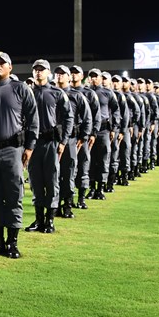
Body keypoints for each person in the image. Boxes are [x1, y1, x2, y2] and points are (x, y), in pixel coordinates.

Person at [0, 52, 38, 259]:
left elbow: (33, 120)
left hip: (13, 150)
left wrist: (29, 147)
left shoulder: (21, 89)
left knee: (13, 195)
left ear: (10, 67)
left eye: (1, 63)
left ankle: (12, 243)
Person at [23, 59, 72, 234]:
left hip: (51, 142)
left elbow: (68, 117)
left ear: (48, 72)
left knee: (51, 181)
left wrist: (64, 141)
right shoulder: (26, 93)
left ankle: (50, 220)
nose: (38, 72)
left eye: (42, 69)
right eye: (35, 69)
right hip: (33, 144)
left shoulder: (57, 93)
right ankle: (38, 220)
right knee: (35, 182)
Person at [53, 65, 92, 219]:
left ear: (69, 77)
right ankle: (54, 205)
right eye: (57, 74)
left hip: (70, 139)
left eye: (63, 74)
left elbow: (87, 117)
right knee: (52, 175)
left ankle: (67, 205)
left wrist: (84, 136)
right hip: (52, 138)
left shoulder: (77, 95)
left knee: (68, 173)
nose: (60, 76)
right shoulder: (50, 93)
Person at [86, 68, 121, 200]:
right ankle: (91, 187)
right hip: (88, 131)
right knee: (89, 160)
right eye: (91, 76)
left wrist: (114, 128)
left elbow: (116, 110)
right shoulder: (85, 92)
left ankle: (100, 188)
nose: (94, 79)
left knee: (103, 159)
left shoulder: (107, 93)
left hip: (103, 130)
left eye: (96, 76)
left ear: (101, 78)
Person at [69, 65, 100, 210]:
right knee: (68, 169)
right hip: (67, 136)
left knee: (83, 166)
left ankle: (81, 198)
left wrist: (91, 133)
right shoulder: (63, 92)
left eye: (77, 73)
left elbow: (94, 115)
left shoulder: (88, 93)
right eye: (72, 73)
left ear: (82, 76)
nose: (74, 75)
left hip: (81, 136)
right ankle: (67, 200)